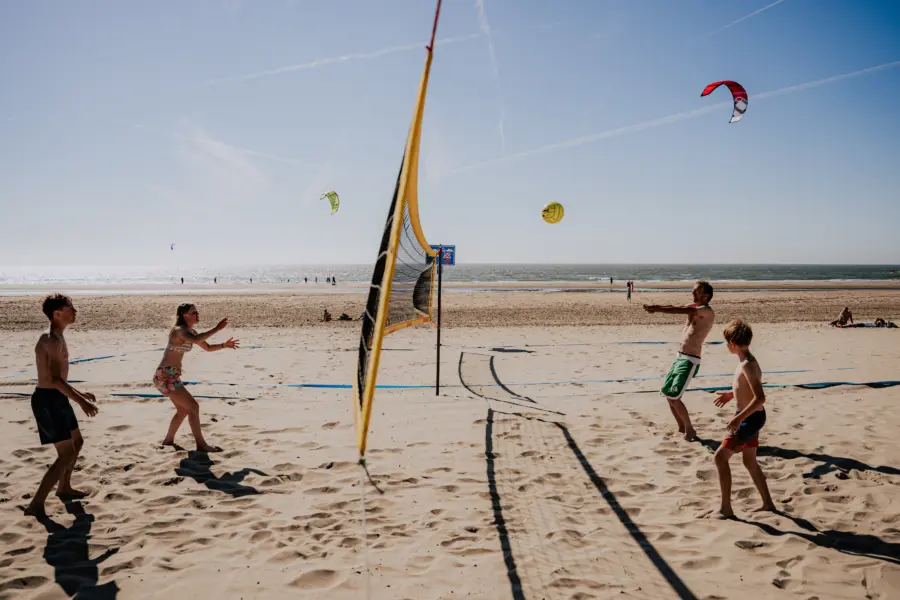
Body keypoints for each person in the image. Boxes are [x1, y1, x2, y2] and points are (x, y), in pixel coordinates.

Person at [25, 295, 100, 518]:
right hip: (48, 400)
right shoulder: (51, 340)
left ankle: (64, 488)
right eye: (70, 308)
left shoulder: (58, 336)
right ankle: (36, 503)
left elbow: (58, 380)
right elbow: (54, 381)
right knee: (65, 454)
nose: (74, 311)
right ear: (57, 313)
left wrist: (79, 393)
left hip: (57, 397)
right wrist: (82, 401)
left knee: (77, 441)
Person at [712, 319, 775, 518]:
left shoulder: (747, 364)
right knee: (750, 462)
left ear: (731, 343)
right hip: (752, 417)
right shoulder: (746, 361)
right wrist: (731, 395)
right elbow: (746, 389)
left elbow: (760, 397)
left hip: (749, 418)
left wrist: (739, 419)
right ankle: (768, 503)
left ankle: (726, 508)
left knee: (720, 457)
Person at [154, 303, 239, 452]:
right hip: (165, 376)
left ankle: (168, 441)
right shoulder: (179, 331)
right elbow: (196, 339)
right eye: (194, 312)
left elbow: (208, 348)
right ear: (185, 315)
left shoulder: (191, 331)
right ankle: (201, 445)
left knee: (183, 411)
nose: (197, 314)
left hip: (170, 376)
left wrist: (224, 345)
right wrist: (217, 328)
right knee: (193, 407)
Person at [643, 281, 715, 440]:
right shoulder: (694, 307)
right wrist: (658, 307)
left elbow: (679, 310)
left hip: (690, 359)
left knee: (675, 396)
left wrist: (657, 309)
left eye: (696, 291)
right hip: (679, 357)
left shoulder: (706, 311)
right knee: (669, 394)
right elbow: (675, 306)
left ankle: (690, 429)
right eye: (693, 290)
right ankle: (682, 426)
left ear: (706, 295)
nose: (693, 293)